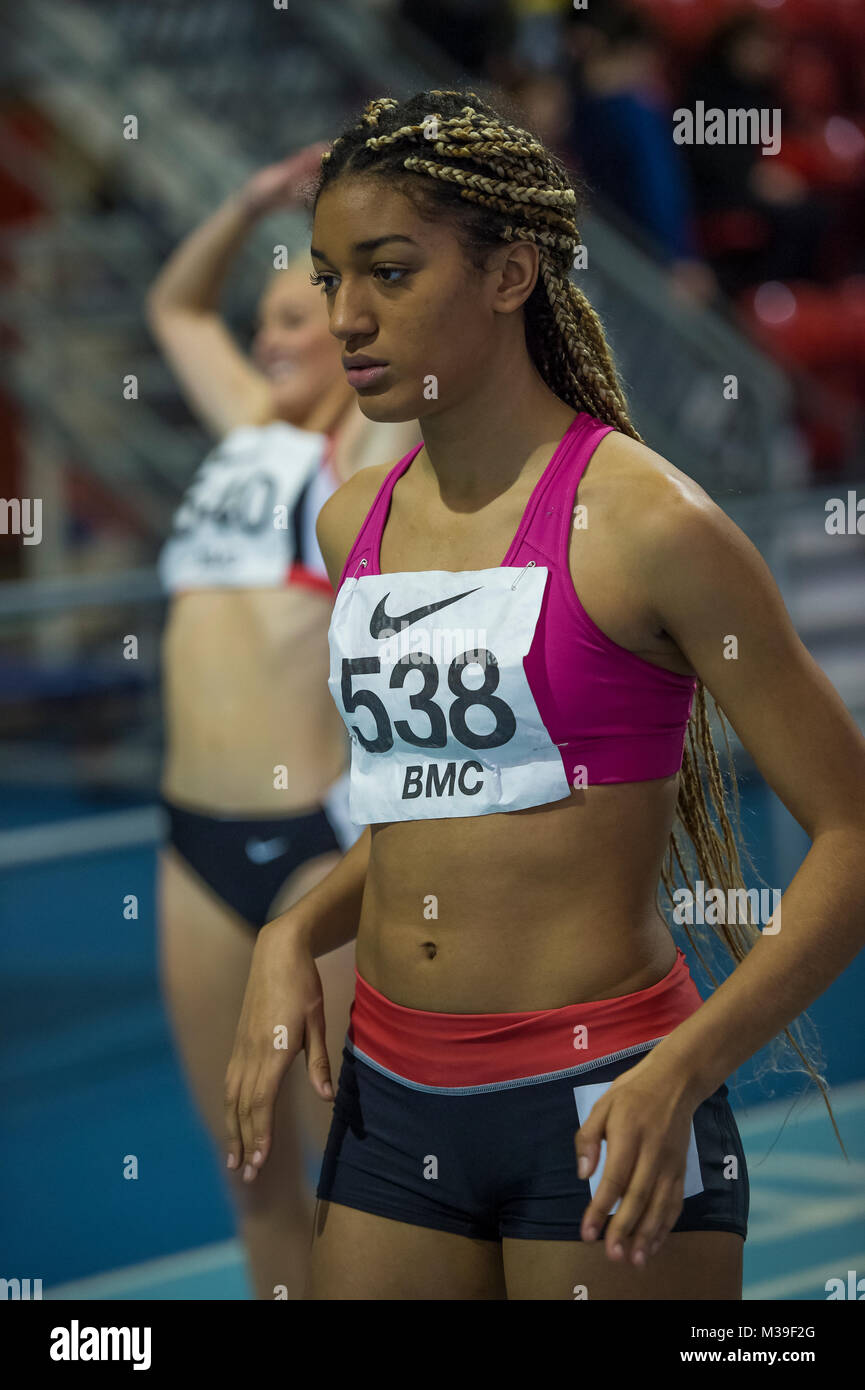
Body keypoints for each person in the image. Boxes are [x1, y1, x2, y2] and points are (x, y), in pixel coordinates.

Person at [224, 91, 864, 1301]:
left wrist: (686, 1067)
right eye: (327, 274)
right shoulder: (352, 520)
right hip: (392, 1100)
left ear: (512, 272)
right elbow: (441, 805)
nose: (346, 316)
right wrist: (295, 926)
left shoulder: (650, 527)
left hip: (603, 1102)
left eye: (390, 274)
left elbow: (854, 830)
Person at [145, 144, 419, 1300]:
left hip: (316, 842)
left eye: (295, 318)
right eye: (260, 322)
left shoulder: (364, 446)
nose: (269, 342)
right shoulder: (250, 424)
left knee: (359, 1184)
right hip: (193, 843)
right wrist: (254, 199)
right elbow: (172, 303)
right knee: (250, 1169)